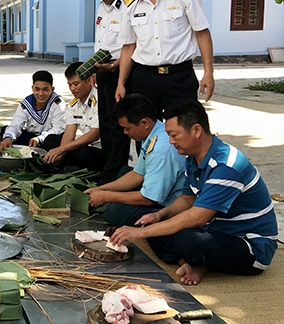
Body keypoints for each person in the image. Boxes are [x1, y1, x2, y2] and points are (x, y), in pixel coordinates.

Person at [111, 99, 278, 286]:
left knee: (185, 239)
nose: (171, 142)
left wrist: (139, 234)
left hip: (250, 246)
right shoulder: (192, 159)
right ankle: (191, 264)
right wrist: (158, 215)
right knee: (154, 225)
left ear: (196, 130)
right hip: (215, 230)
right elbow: (186, 199)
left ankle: (196, 262)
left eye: (174, 135)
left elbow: (196, 217)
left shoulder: (227, 165)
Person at [115, 0, 215, 119]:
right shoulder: (130, 5)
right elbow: (129, 47)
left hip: (179, 78)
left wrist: (208, 73)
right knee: (145, 135)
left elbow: (202, 33)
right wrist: (121, 83)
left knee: (184, 131)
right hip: (144, 79)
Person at [84, 94, 184, 226]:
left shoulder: (160, 150)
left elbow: (149, 199)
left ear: (144, 123)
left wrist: (106, 196)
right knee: (125, 171)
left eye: (127, 128)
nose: (125, 132)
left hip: (169, 205)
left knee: (113, 212)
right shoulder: (154, 132)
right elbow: (137, 174)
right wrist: (101, 189)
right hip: (158, 188)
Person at [83, 0, 134, 183]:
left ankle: (115, 175)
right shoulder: (104, 6)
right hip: (103, 70)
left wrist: (114, 68)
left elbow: (132, 46)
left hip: (120, 70)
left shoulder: (130, 6)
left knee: (117, 125)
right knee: (104, 123)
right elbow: (101, 42)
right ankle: (108, 168)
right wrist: (95, 68)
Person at [44, 62, 103, 172]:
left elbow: (94, 134)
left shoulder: (99, 99)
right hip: (84, 145)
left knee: (84, 154)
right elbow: (69, 132)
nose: (72, 88)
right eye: (70, 84)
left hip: (99, 149)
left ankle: (71, 166)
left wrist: (62, 149)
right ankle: (67, 164)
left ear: (89, 80)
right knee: (50, 140)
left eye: (76, 84)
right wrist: (60, 153)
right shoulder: (73, 105)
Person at [0, 70, 66, 151]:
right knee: (6, 131)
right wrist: (8, 138)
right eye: (37, 89)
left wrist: (40, 138)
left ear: (52, 89)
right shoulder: (26, 104)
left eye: (45, 89)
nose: (40, 94)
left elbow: (59, 128)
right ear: (32, 89)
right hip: (31, 139)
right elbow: (16, 124)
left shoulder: (58, 103)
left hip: (48, 139)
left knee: (52, 140)